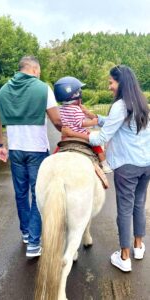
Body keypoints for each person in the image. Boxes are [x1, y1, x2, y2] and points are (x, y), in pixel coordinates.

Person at [62, 65, 150, 272]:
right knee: (139, 204)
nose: (109, 86)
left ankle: (124, 257)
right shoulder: (140, 102)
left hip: (127, 166)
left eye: (111, 82)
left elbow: (101, 137)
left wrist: (72, 133)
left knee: (125, 209)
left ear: (121, 83)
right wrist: (93, 116)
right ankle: (138, 246)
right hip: (145, 164)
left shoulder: (120, 105)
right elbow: (117, 123)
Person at [0, 56, 62, 258]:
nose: (39, 75)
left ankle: (25, 233)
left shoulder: (3, 90)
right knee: (38, 194)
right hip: (37, 150)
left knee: (21, 193)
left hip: (15, 149)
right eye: (38, 71)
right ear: (33, 69)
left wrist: (0, 145)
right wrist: (69, 132)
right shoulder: (42, 88)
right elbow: (56, 120)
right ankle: (33, 242)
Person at [54, 76, 112, 174]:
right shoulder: (76, 109)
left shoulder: (60, 108)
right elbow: (81, 123)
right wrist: (93, 122)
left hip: (66, 136)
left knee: (58, 150)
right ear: (75, 95)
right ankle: (105, 164)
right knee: (97, 145)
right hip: (81, 135)